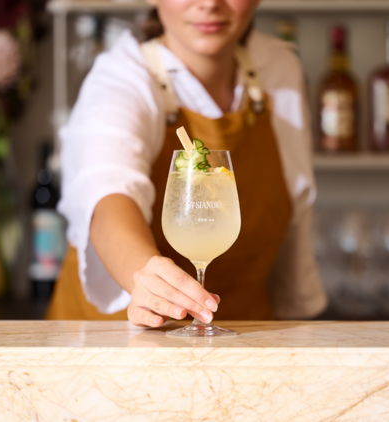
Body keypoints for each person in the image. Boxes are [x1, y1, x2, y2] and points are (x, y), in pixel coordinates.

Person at [46, 0, 327, 326]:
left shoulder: (279, 68)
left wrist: (299, 319)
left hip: (245, 339)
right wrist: (145, 275)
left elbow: (297, 203)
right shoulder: (121, 76)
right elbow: (107, 193)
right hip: (116, 346)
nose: (209, 4)